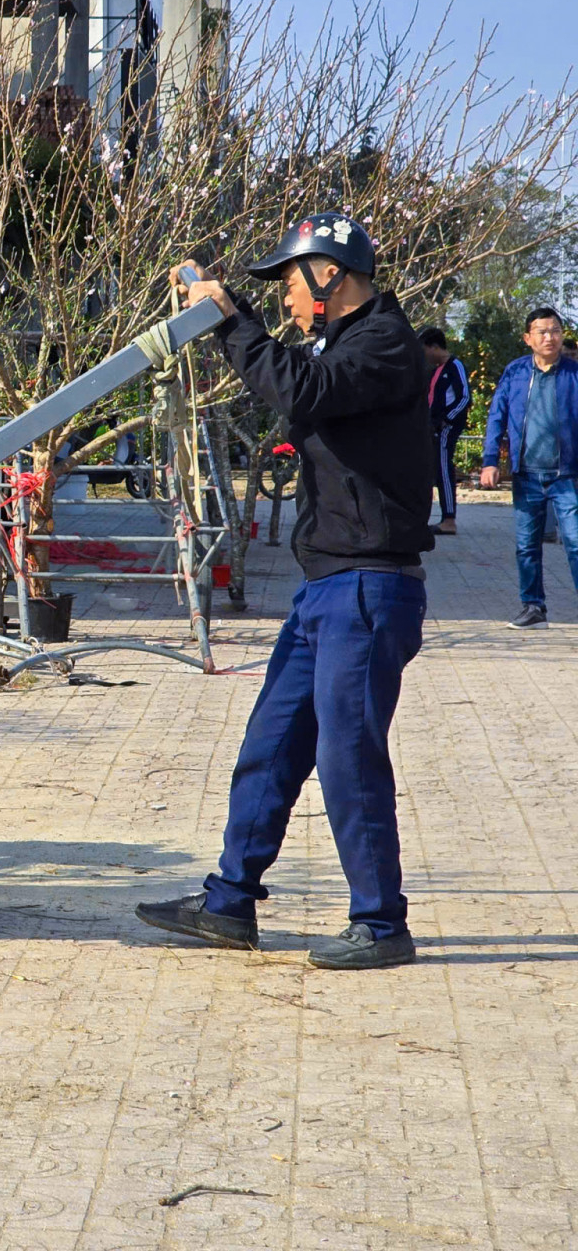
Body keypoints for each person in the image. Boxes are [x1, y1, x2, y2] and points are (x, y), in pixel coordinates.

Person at [136, 212, 432, 970]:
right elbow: (291, 372)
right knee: (270, 745)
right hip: (325, 586)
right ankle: (231, 901)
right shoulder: (340, 341)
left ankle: (381, 921)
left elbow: (301, 388)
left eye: (291, 285)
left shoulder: (384, 344)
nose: (289, 303)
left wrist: (234, 320)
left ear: (330, 275)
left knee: (347, 756)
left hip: (369, 586)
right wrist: (228, 312)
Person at [479, 307, 578, 627]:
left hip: (567, 476)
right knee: (526, 546)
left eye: (555, 331)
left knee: (576, 543)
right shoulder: (516, 373)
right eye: (542, 331)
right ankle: (534, 608)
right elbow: (497, 416)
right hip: (527, 475)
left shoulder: (574, 375)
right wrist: (490, 461)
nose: (550, 337)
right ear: (527, 338)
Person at [424, 326, 470, 535]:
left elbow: (464, 398)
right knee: (433, 470)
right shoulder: (435, 370)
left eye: (425, 349)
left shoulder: (455, 365)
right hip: (432, 427)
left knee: (443, 469)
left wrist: (447, 419)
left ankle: (449, 519)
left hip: (446, 428)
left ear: (434, 346)